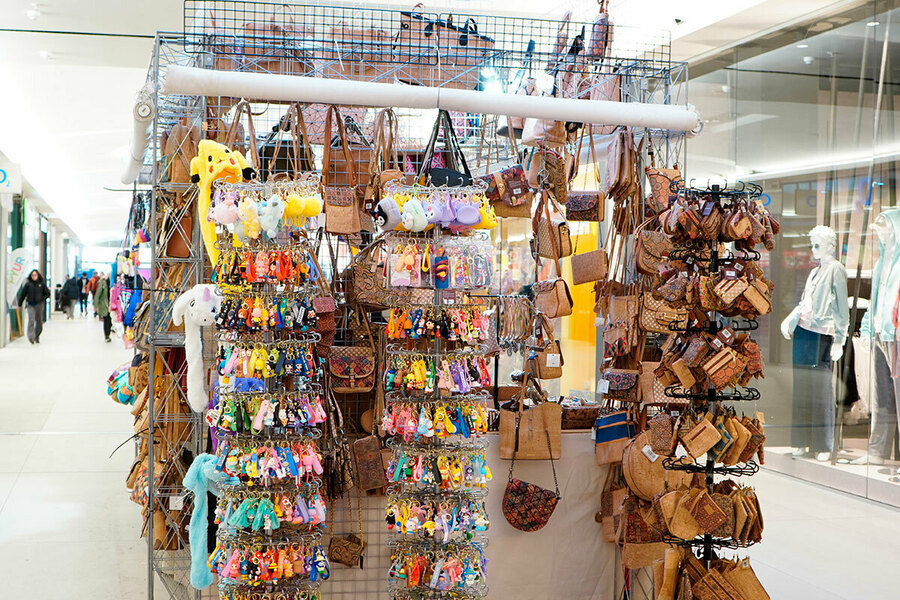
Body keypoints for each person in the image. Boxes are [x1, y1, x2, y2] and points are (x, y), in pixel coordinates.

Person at [16, 269, 51, 344]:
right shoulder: (28, 284)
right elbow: (23, 295)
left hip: (39, 304)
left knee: (39, 321)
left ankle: (36, 335)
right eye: (32, 275)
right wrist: (19, 305)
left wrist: (42, 298)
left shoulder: (42, 284)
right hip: (30, 304)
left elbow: (48, 293)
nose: (34, 277)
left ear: (38, 276)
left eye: (35, 275)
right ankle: (31, 336)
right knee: (31, 320)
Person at [94, 272, 112, 342]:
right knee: (106, 319)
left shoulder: (115, 283)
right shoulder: (103, 282)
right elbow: (98, 294)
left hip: (112, 304)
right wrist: (95, 305)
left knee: (110, 320)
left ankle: (108, 333)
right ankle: (107, 335)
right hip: (104, 304)